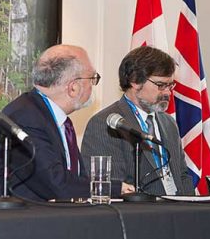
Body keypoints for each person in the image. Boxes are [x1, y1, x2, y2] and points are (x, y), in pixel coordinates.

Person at [0, 44, 133, 201]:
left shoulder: (54, 118)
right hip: (14, 215)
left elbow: (74, 179)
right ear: (73, 88)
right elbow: (56, 184)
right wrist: (114, 188)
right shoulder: (25, 116)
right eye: (92, 79)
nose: (93, 85)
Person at [82, 46, 195, 196]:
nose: (168, 92)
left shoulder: (169, 123)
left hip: (176, 208)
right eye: (161, 85)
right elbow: (111, 186)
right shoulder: (104, 124)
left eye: (170, 85)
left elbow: (182, 176)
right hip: (140, 209)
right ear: (135, 81)